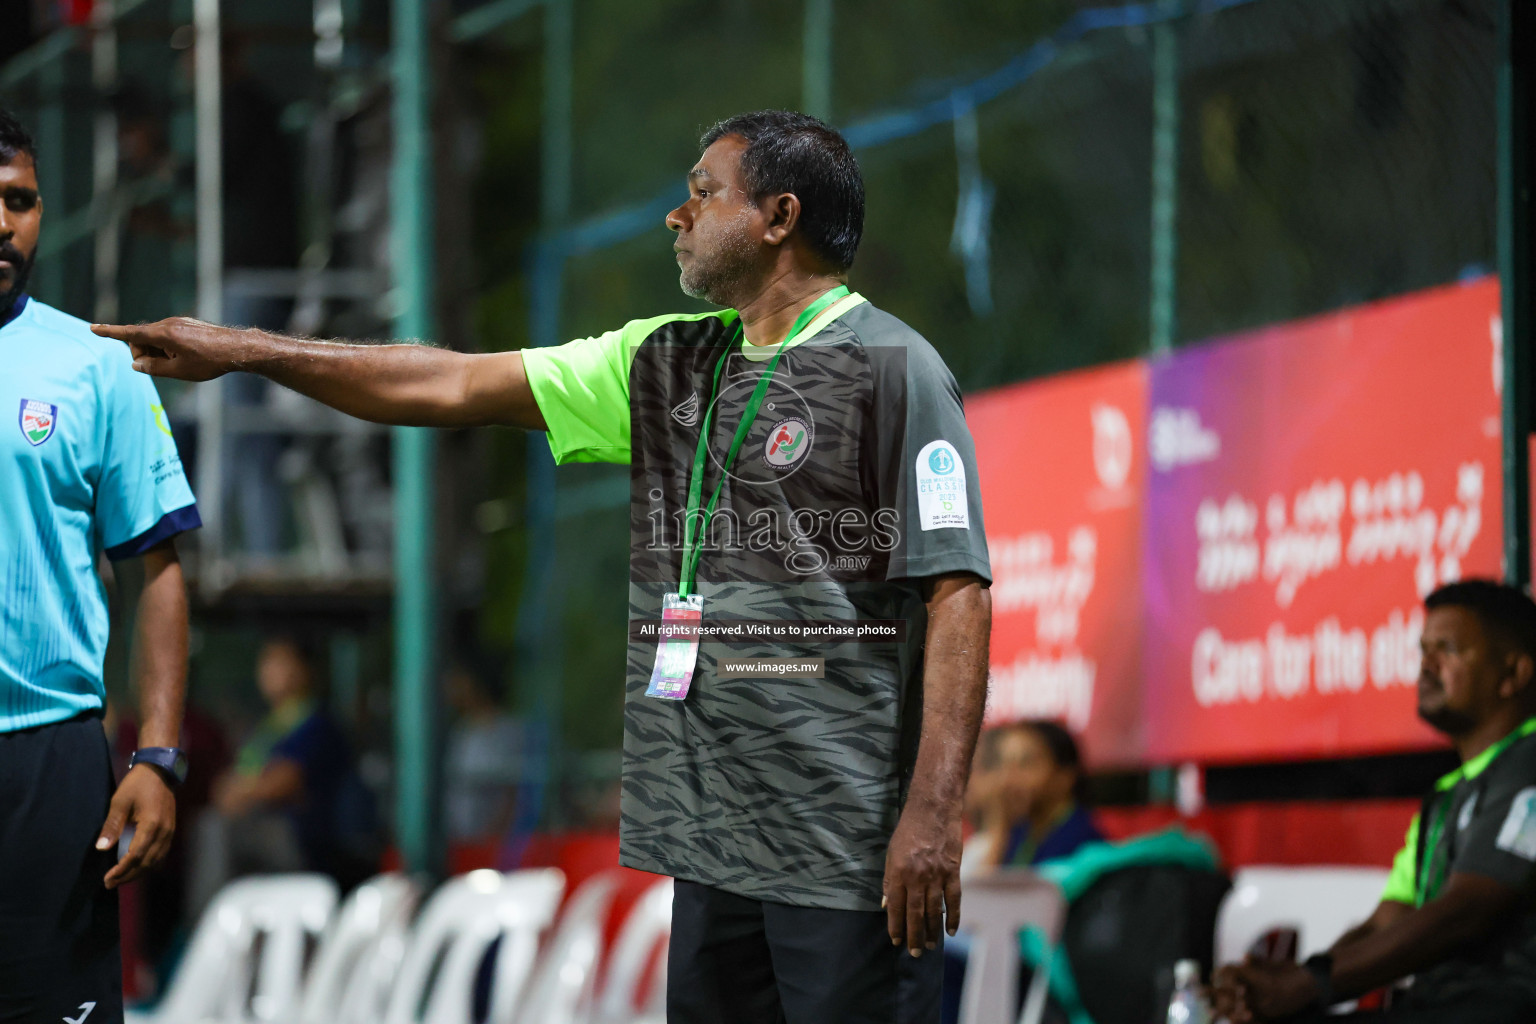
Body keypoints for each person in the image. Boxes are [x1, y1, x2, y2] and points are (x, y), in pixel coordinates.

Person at [98, 109, 993, 1024]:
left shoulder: (894, 369)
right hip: (712, 841)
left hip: (839, 839)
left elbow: (957, 592)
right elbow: (447, 382)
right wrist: (248, 350)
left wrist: (931, 815)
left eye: (702, 193)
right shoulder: (669, 362)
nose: (676, 217)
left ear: (779, 216)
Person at [0, 108, 199, 1022]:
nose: (4, 223)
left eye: (20, 201)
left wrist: (158, 756)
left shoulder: (98, 365)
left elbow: (156, 569)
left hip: (53, 763)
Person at [1213, 579, 1536, 1023]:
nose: (1426, 666)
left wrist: (1309, 984)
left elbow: (1466, 910)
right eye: (1424, 649)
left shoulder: (1529, 763)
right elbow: (1386, 922)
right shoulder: (1444, 799)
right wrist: (1286, 985)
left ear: (1513, 674)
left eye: (1448, 649)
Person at [190, 635, 378, 911]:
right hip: (263, 831)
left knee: (215, 829)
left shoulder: (316, 723)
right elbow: (227, 786)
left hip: (305, 842)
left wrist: (242, 790)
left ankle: (205, 920)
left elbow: (282, 783)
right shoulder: (267, 726)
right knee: (209, 824)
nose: (270, 671)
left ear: (305, 669)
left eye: (281, 661)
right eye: (266, 661)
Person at [962, 719, 1103, 877]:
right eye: (1004, 764)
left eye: (1025, 764)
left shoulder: (1083, 847)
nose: (1007, 779)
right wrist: (999, 826)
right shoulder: (1019, 833)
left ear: (1065, 776)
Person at [443, 661, 523, 845]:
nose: (451, 689)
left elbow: (514, 794)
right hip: (459, 843)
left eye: (458, 680)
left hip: (492, 845)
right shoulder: (460, 732)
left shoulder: (509, 732)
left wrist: (492, 838)